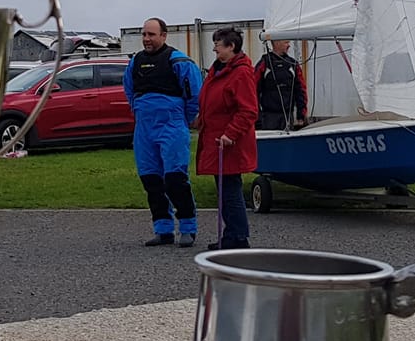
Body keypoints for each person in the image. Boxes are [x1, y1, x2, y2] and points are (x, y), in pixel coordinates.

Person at [124, 17, 202, 246]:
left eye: (152, 35)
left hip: (172, 125)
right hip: (145, 128)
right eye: (144, 35)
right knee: (151, 180)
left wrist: (183, 120)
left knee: (175, 179)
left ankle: (188, 227)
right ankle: (163, 229)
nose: (147, 39)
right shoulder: (135, 62)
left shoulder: (179, 61)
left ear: (164, 36)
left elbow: (195, 95)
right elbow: (129, 91)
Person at [197, 28, 258, 248]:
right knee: (225, 190)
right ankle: (232, 234)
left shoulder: (240, 73)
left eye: (218, 43)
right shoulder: (219, 70)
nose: (214, 47)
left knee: (230, 191)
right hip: (216, 139)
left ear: (231, 46)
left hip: (229, 142)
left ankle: (238, 237)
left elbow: (248, 110)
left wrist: (230, 133)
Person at [255, 39, 306, 131]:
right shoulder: (264, 63)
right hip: (268, 117)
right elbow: (253, 91)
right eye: (286, 42)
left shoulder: (293, 64)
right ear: (276, 43)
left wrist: (301, 115)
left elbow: (301, 91)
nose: (289, 45)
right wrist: (257, 117)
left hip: (288, 116)